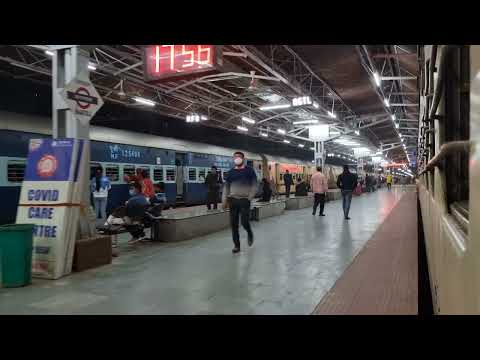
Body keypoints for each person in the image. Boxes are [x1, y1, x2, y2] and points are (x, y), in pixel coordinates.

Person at [222, 151, 258, 254]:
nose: (237, 158)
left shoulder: (249, 170)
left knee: (244, 222)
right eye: (235, 157)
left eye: (239, 157)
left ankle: (249, 232)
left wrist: (250, 197)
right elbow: (226, 187)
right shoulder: (231, 172)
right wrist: (224, 201)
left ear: (243, 159)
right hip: (233, 200)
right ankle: (236, 246)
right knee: (233, 224)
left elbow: (255, 184)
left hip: (244, 200)